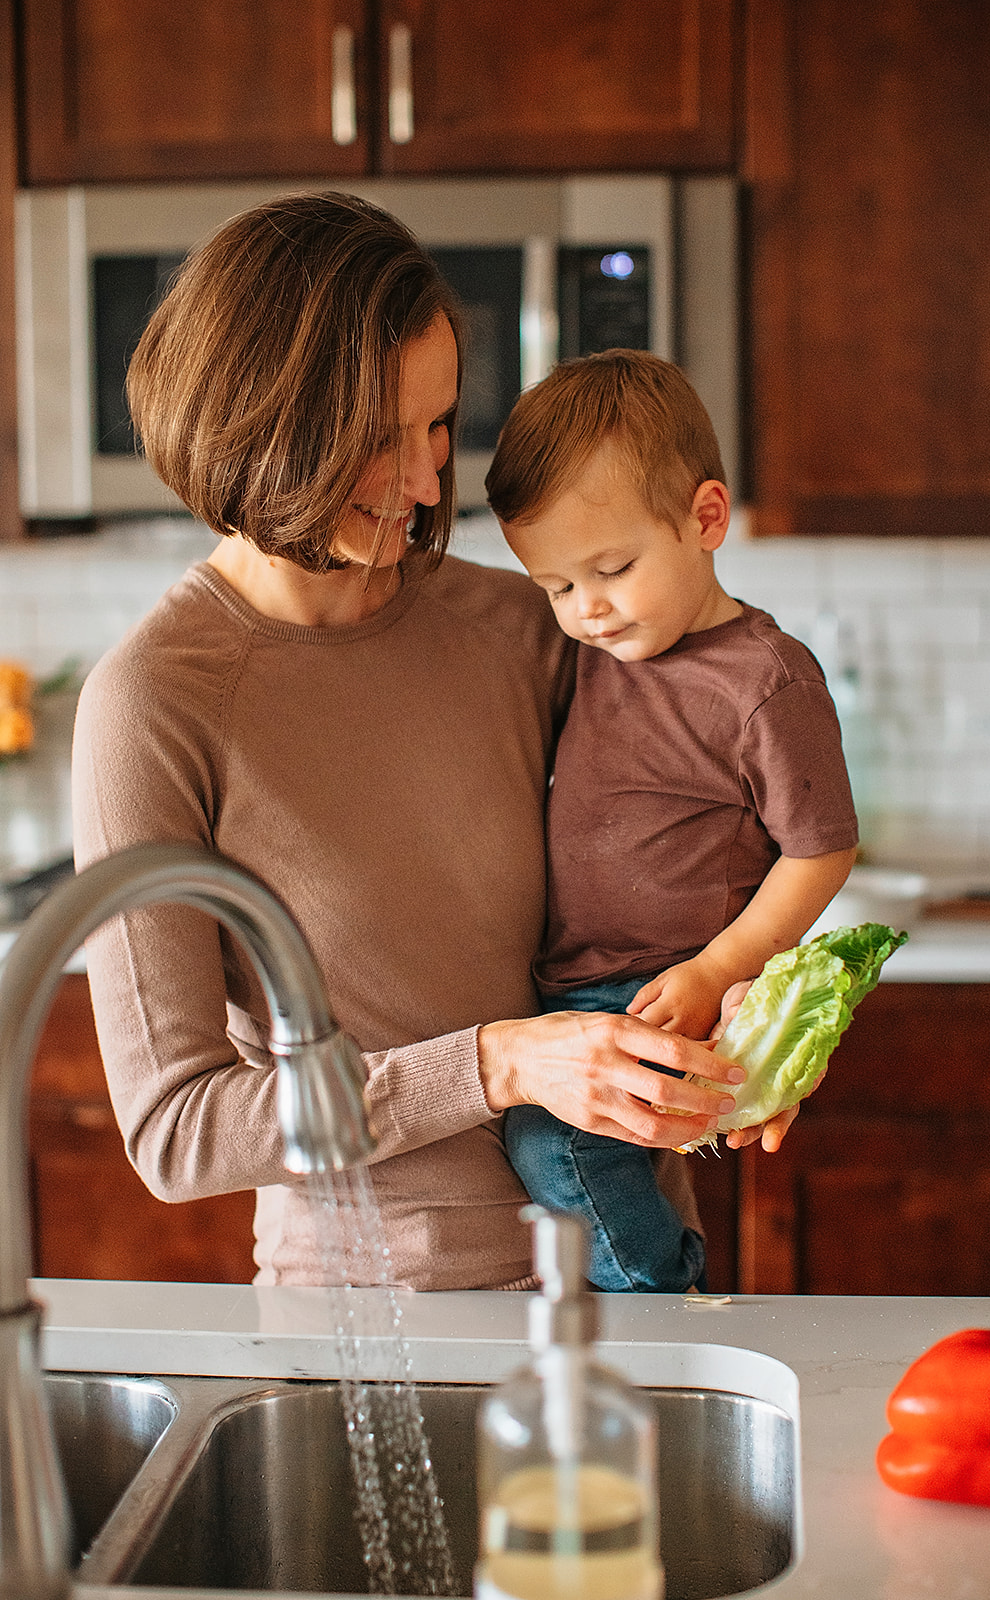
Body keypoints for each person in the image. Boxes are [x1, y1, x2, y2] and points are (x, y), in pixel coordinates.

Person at [71, 193, 750, 1293]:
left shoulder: (525, 625)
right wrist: (495, 1064)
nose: (432, 483)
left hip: (633, 1277)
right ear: (263, 432)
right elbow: (179, 1133)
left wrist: (748, 1028)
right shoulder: (154, 702)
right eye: (378, 442)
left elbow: (681, 870)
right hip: (376, 1327)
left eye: (437, 426)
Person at [485, 349, 859, 1292]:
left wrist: (717, 971)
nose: (587, 610)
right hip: (571, 984)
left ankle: (665, 1304)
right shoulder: (599, 651)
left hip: (664, 988)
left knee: (553, 1142)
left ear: (705, 518)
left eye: (611, 569)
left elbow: (822, 850)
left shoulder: (766, 679)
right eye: (557, 588)